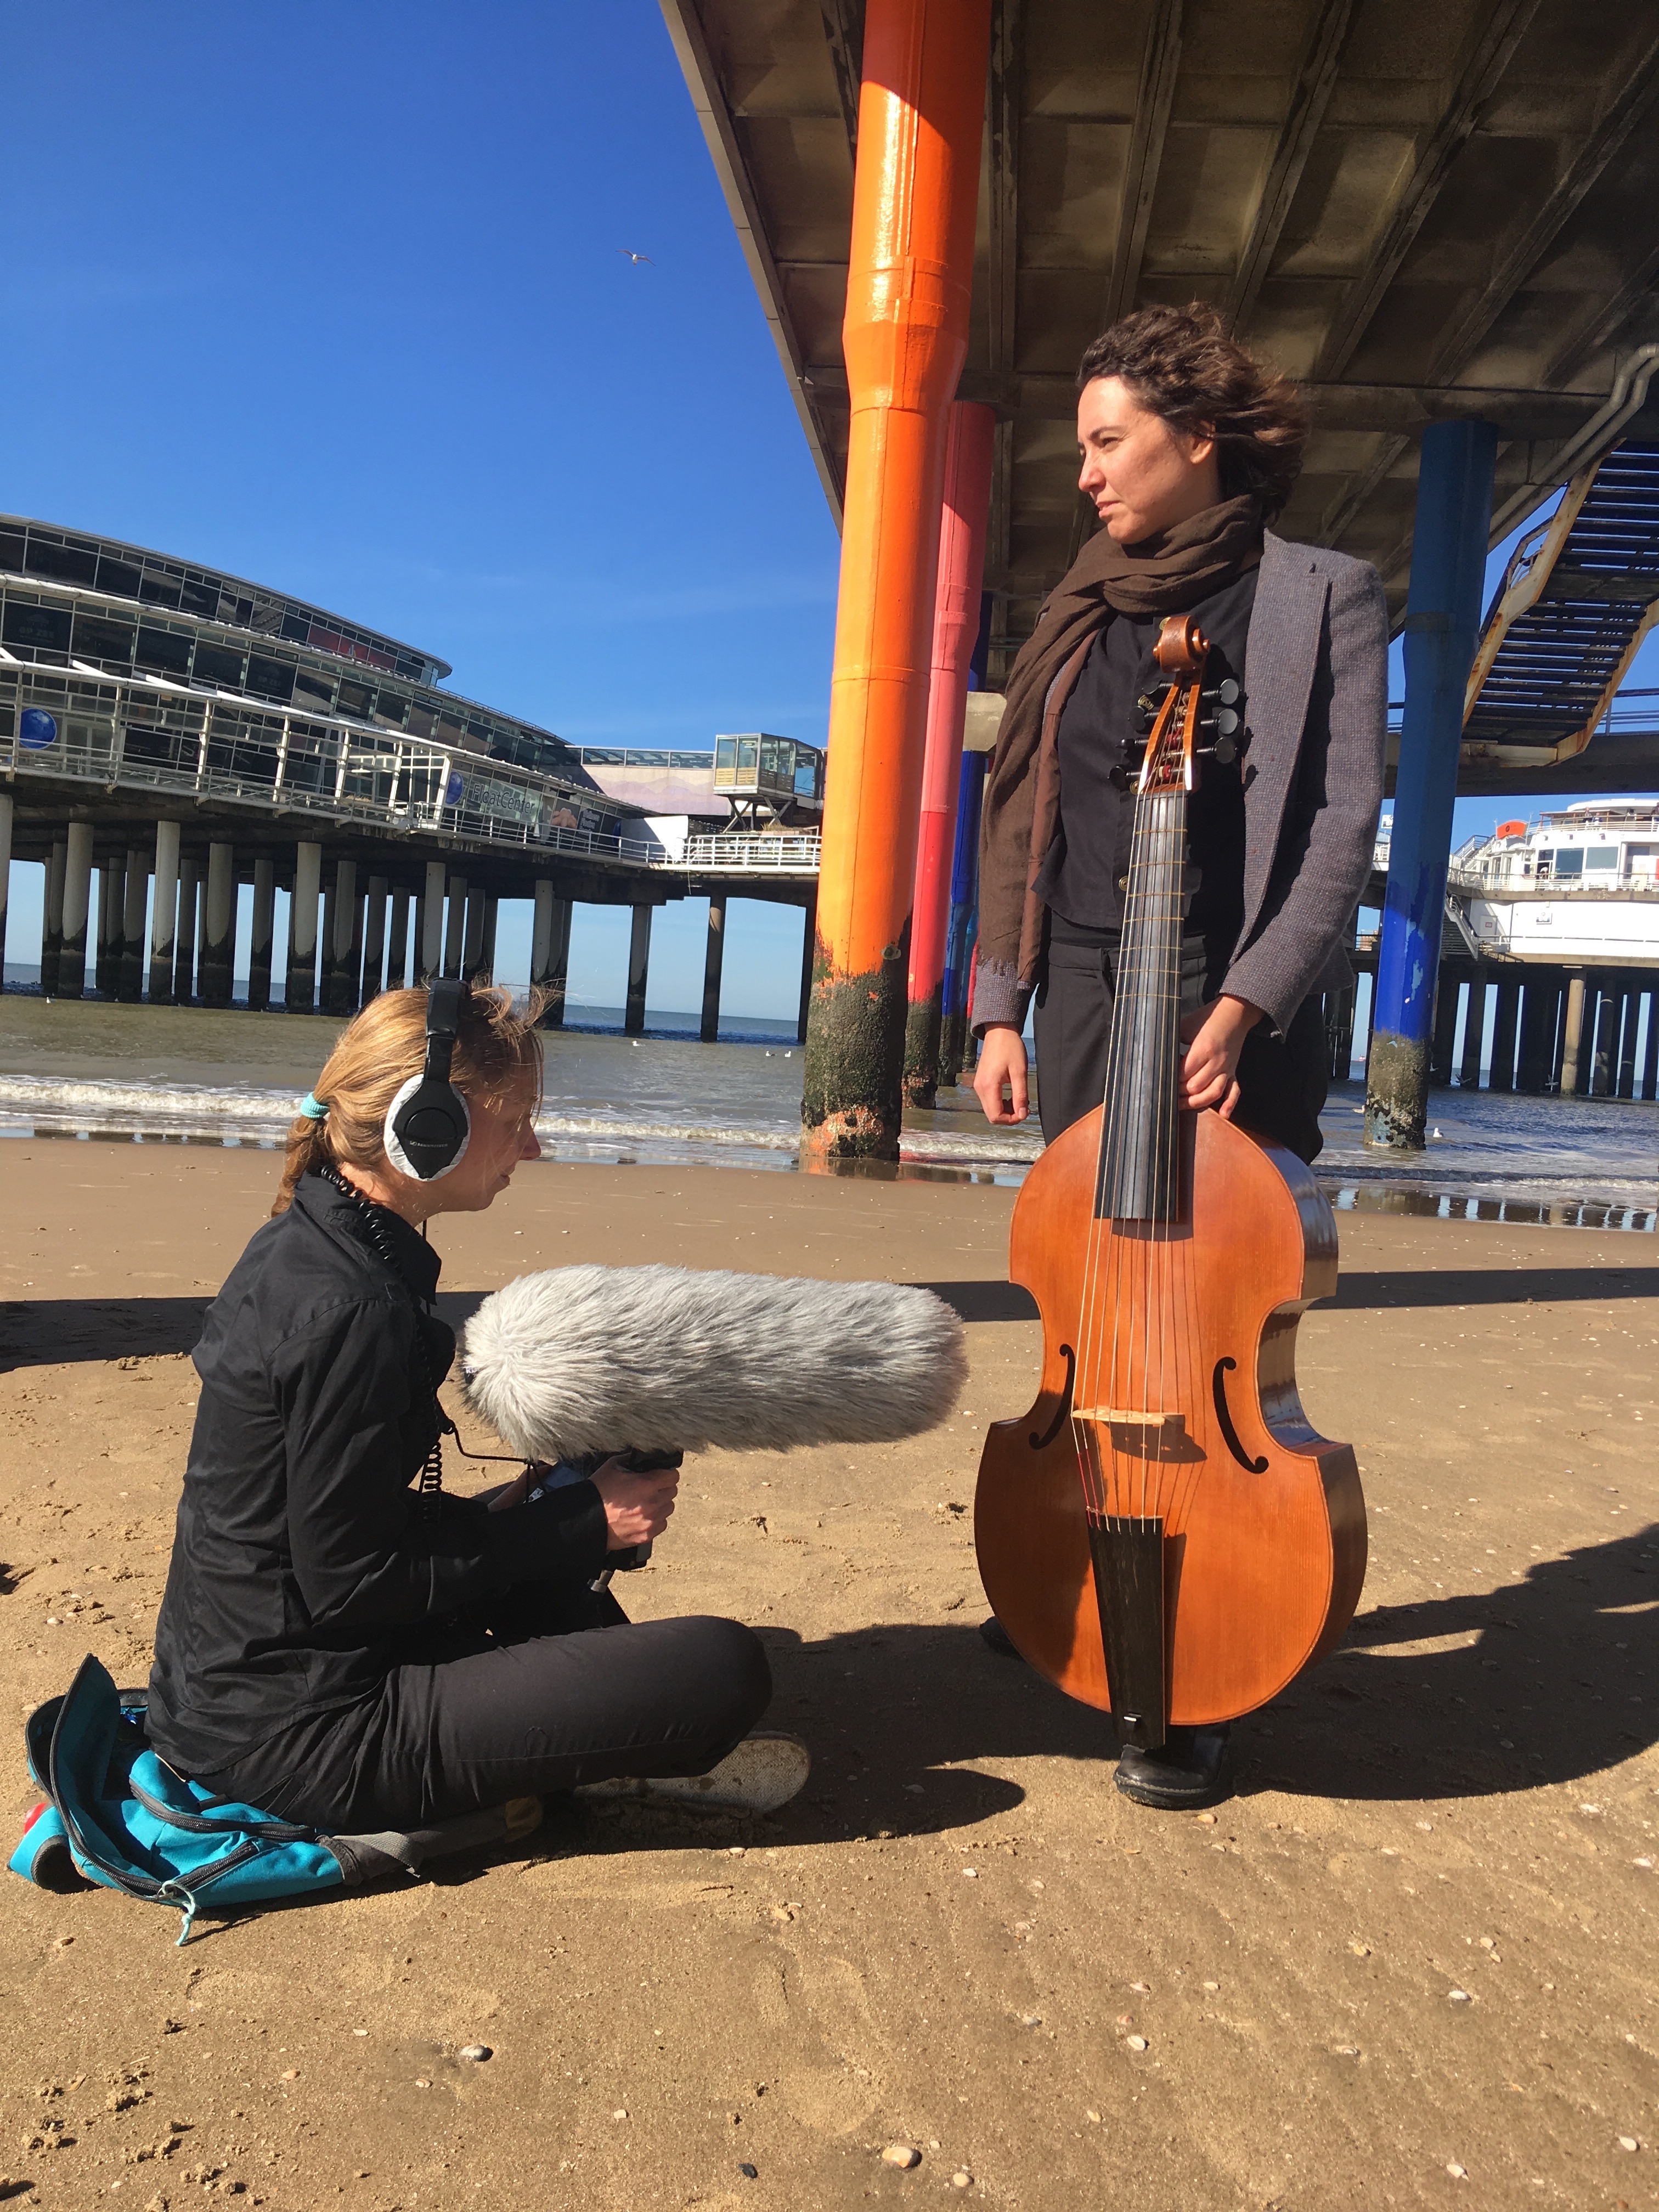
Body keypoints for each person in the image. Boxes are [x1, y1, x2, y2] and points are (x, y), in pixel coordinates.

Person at [970, 302, 1386, 1810]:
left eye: (1107, 441)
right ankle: (1079, 1577)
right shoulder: (1081, 599)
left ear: (1196, 438)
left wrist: (1252, 1002)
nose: (1084, 473)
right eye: (1080, 446)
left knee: (1217, 1306)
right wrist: (999, 1001)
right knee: (1100, 1306)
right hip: (1089, 979)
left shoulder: (1319, 593)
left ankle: (1201, 1658)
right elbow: (1026, 819)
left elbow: (1342, 824)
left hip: (1226, 988)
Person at [145, 983, 806, 1849]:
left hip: (232, 1696)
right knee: (726, 1666)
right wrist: (587, 1523)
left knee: (558, 1547)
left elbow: (324, 1530)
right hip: (303, 1735)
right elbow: (350, 1583)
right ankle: (577, 1770)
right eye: (516, 1121)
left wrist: (496, 1517)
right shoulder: (356, 1310)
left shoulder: (310, 1242)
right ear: (430, 1131)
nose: (532, 1145)